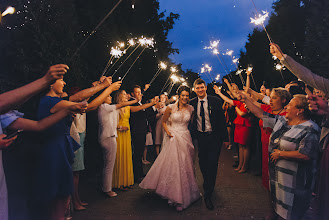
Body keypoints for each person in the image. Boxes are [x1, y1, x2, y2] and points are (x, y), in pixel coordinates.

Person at [33, 76, 121, 219]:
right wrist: (107, 87)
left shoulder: (57, 101)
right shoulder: (50, 102)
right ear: (50, 84)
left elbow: (84, 100)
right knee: (56, 193)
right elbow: (85, 102)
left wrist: (103, 87)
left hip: (62, 147)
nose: (64, 82)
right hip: (55, 150)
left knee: (63, 193)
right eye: (61, 79)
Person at [239, 92, 320, 220]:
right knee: (280, 211)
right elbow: (260, 114)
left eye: (290, 105)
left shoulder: (310, 128)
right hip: (280, 179)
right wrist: (245, 99)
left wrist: (282, 154)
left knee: (291, 214)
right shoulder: (282, 121)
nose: (287, 107)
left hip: (295, 184)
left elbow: (307, 155)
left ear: (299, 111)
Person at [140, 85, 201, 211]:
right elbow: (163, 122)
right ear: (179, 96)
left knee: (186, 165)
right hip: (173, 137)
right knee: (175, 165)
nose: (185, 97)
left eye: (187, 95)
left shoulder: (191, 109)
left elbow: (191, 124)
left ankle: (187, 192)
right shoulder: (170, 107)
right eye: (183, 95)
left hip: (185, 137)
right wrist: (168, 132)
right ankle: (174, 195)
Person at [190, 79, 228, 210]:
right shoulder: (192, 103)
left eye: (202, 87)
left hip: (214, 137)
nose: (200, 90)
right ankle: (208, 182)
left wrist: (225, 138)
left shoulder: (215, 101)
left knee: (212, 164)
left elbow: (222, 121)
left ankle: (208, 193)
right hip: (200, 138)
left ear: (205, 88)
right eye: (197, 88)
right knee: (202, 163)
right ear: (194, 89)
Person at [112, 90, 158, 190]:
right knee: (120, 157)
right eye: (124, 94)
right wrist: (119, 127)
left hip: (127, 134)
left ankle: (125, 181)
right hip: (119, 134)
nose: (126, 95)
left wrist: (152, 103)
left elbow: (140, 107)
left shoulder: (128, 107)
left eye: (125, 94)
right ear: (119, 96)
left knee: (126, 156)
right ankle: (118, 183)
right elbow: (110, 122)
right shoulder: (115, 107)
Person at [98, 94, 138, 197]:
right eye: (108, 96)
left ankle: (106, 187)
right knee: (109, 166)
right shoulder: (104, 106)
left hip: (108, 137)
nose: (110, 97)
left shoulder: (107, 108)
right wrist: (135, 100)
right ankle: (107, 189)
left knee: (107, 165)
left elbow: (120, 108)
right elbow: (121, 105)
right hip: (109, 138)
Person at [214, 86, 252, 174]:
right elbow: (228, 100)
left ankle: (244, 166)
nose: (240, 94)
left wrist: (236, 108)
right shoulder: (240, 103)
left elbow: (242, 113)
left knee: (245, 146)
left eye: (242, 93)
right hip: (238, 125)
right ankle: (240, 165)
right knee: (240, 146)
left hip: (245, 126)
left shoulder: (248, 104)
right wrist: (219, 93)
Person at [129, 85, 157, 183]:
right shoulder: (132, 103)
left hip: (143, 130)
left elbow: (146, 113)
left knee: (140, 153)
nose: (139, 94)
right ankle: (137, 175)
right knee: (137, 154)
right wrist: (151, 104)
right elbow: (140, 108)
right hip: (136, 131)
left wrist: (154, 106)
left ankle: (140, 173)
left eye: (140, 92)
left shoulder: (139, 102)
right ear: (132, 94)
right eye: (137, 92)